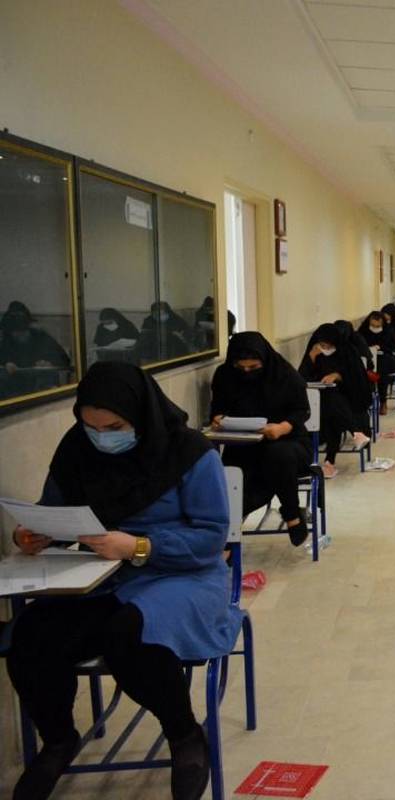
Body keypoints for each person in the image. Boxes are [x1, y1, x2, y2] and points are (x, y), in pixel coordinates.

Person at [6, 361, 240, 800]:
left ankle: (184, 734)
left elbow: (210, 537)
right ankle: (58, 739)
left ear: (141, 414)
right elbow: (53, 507)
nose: (101, 437)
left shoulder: (189, 452)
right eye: (90, 427)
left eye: (113, 428)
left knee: (133, 635)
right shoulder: (76, 449)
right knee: (31, 637)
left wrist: (138, 546)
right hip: (100, 575)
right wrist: (32, 533)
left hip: (181, 573)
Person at [210, 333, 313, 546]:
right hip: (243, 445)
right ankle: (227, 540)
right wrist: (218, 419)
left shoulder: (283, 374)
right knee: (234, 481)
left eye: (254, 367)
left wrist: (282, 428)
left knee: (276, 456)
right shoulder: (224, 375)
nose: (247, 372)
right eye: (241, 368)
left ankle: (291, 514)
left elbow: (302, 410)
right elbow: (218, 407)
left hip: (288, 442)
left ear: (264, 361)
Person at [297, 323, 371, 479]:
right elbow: (301, 379)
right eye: (322, 345)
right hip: (318, 402)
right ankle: (355, 434)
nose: (325, 349)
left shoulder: (347, 352)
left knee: (333, 404)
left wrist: (338, 375)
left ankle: (330, 462)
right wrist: (311, 357)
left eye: (329, 346)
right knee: (331, 404)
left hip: (347, 400)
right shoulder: (314, 353)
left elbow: (357, 379)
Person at [359, 311, 395, 413]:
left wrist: (380, 347)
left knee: (382, 372)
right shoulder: (363, 331)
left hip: (384, 359)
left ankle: (383, 401)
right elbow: (358, 344)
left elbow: (393, 347)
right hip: (368, 359)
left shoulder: (388, 331)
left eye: (377, 326)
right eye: (373, 326)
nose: (375, 328)